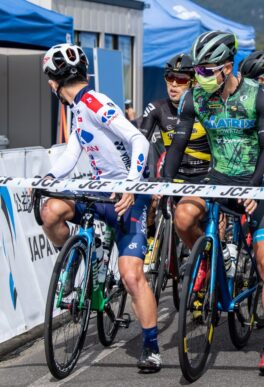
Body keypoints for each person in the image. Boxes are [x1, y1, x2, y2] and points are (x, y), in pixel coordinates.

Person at [162, 31, 264, 375]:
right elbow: (177, 146)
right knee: (184, 217)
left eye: (205, 71)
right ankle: (208, 261)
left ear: (227, 67)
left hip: (258, 182)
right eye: (196, 71)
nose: (197, 78)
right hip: (217, 180)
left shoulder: (258, 96)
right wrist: (166, 185)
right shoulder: (195, 98)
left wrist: (254, 189)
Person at [39, 44, 161, 372]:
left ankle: (151, 346)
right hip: (98, 191)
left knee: (132, 276)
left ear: (53, 83)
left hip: (127, 196)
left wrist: (130, 185)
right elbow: (73, 152)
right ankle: (73, 263)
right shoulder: (78, 108)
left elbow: (140, 140)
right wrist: (50, 177)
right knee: (51, 211)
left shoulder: (94, 102)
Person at [141, 53, 211, 251]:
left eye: (180, 80)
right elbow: (140, 140)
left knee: (216, 223)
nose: (173, 84)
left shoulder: (206, 108)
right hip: (174, 175)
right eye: (169, 78)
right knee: (150, 204)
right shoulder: (157, 108)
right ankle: (150, 248)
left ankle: (208, 254)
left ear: (193, 83)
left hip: (204, 178)